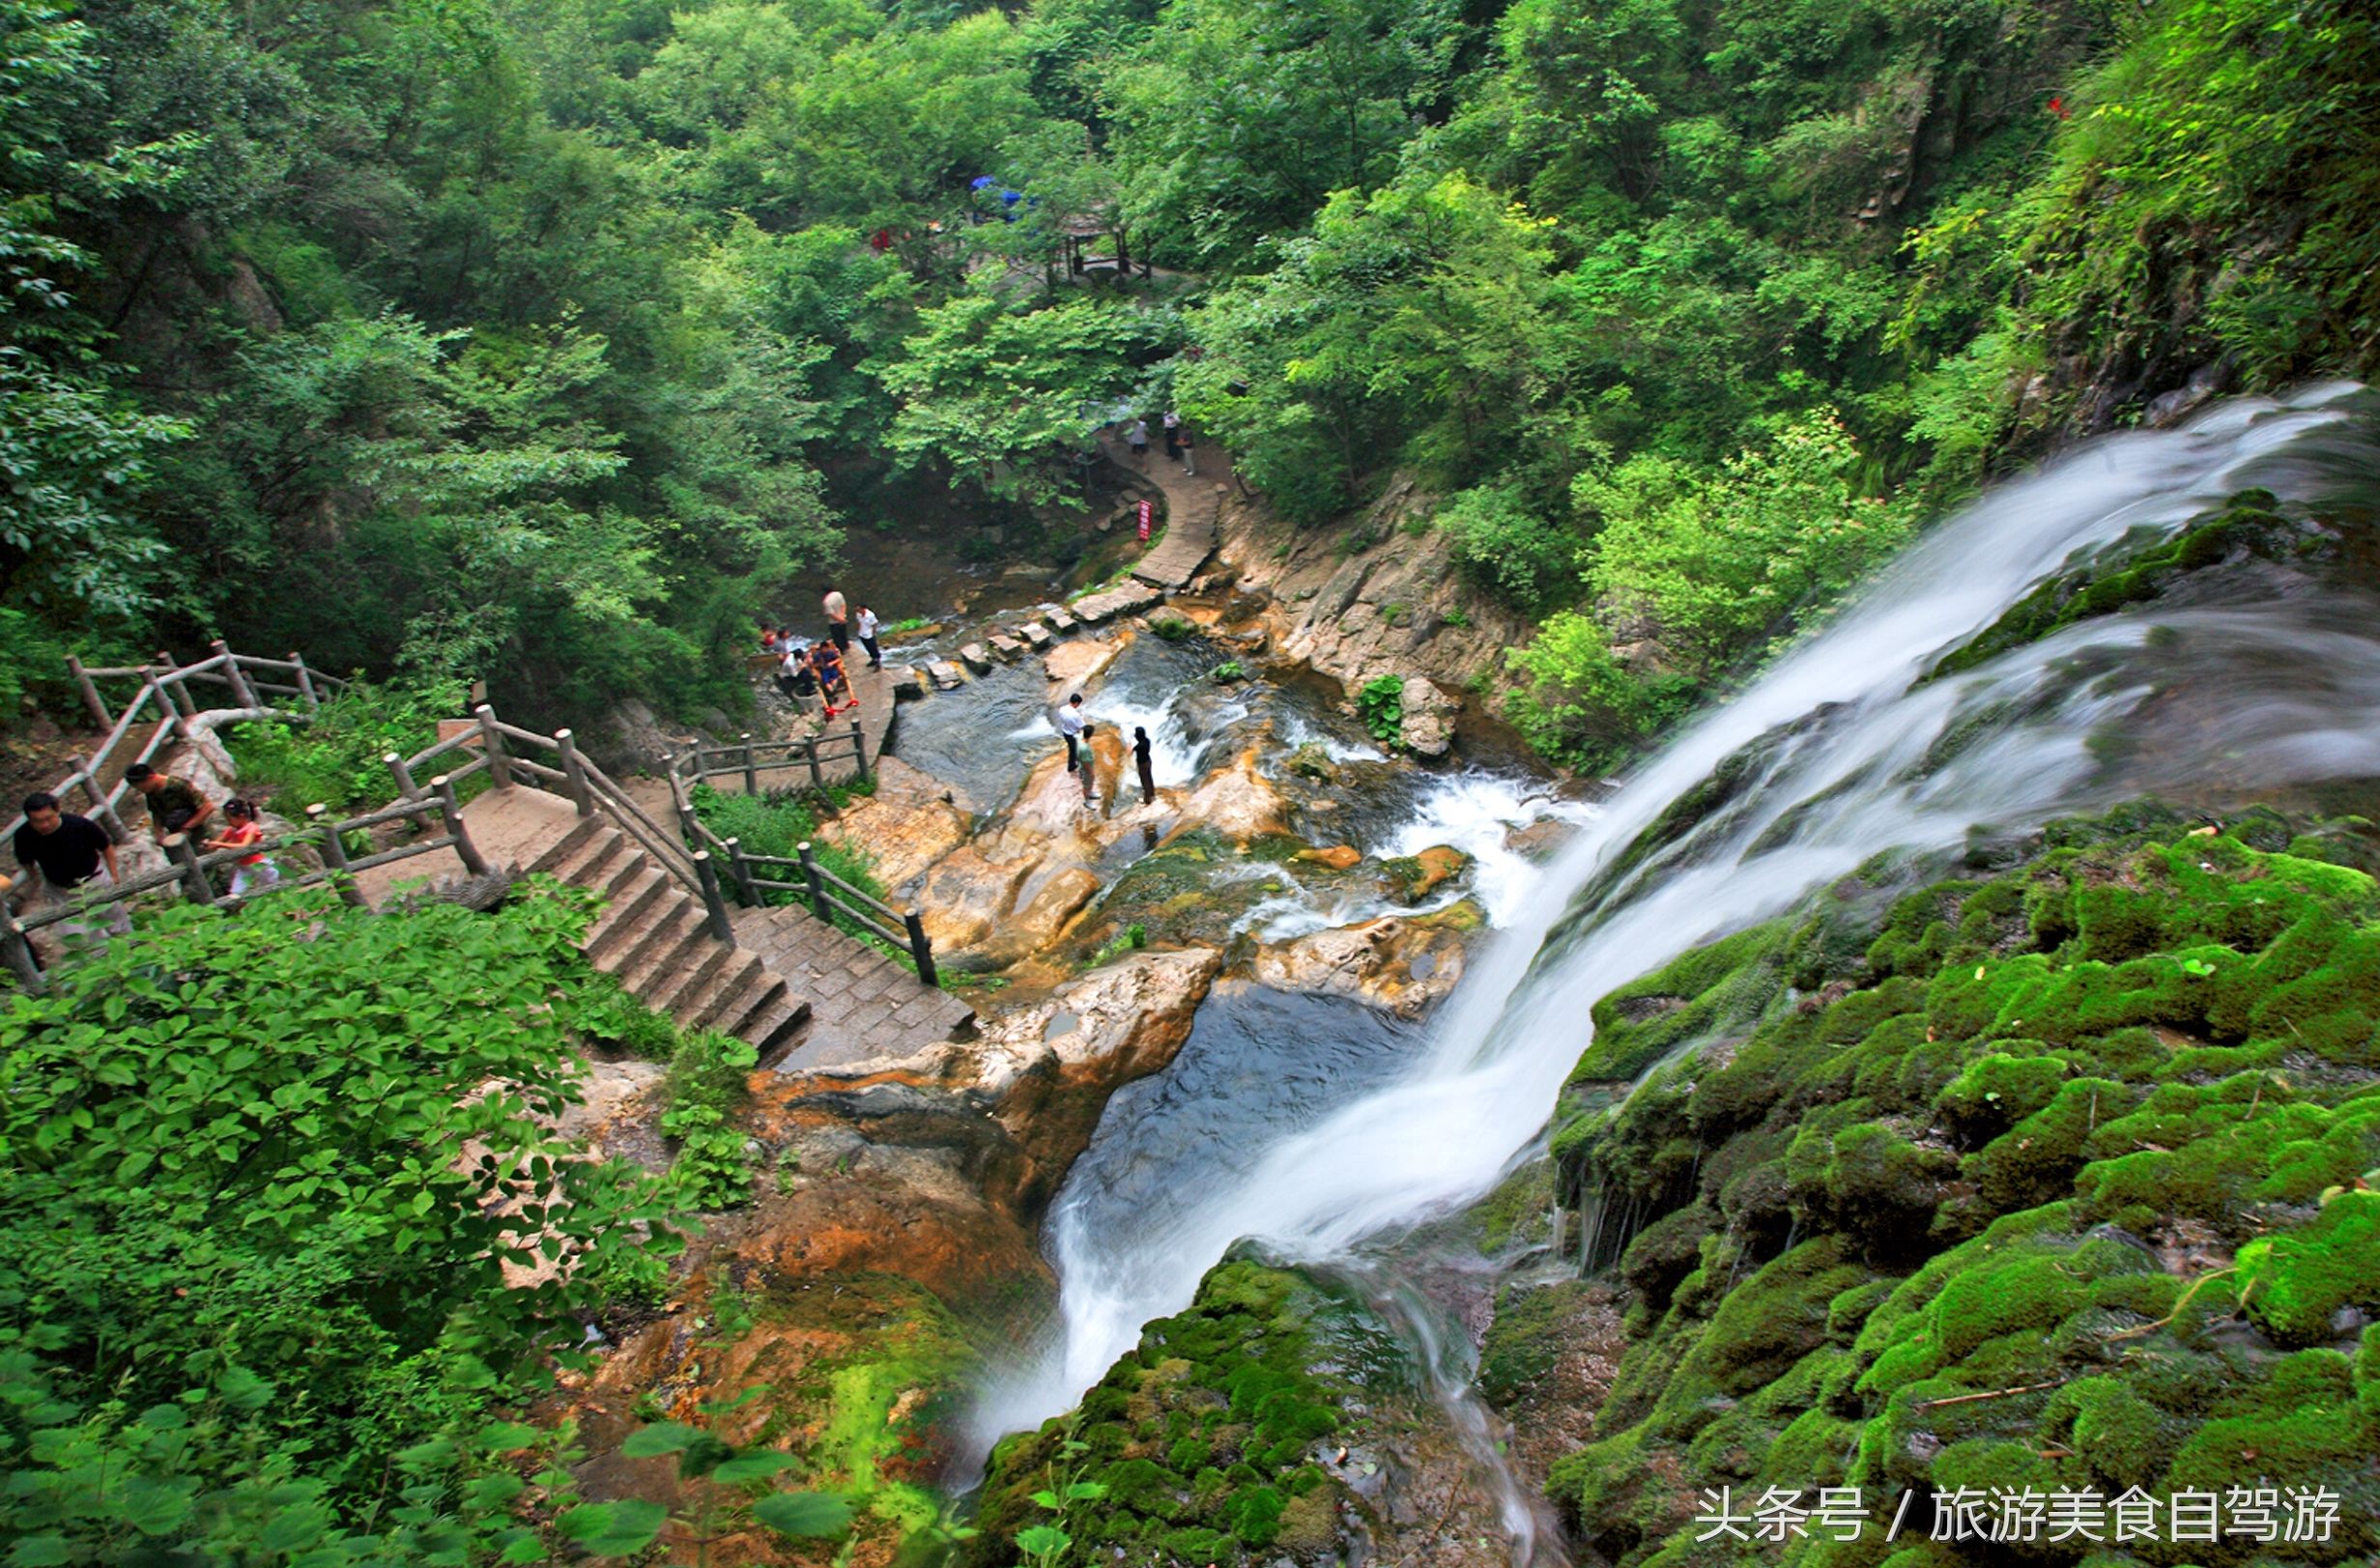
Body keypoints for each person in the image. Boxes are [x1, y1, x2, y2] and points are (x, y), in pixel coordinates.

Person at [11, 791, 130, 937]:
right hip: (61, 891)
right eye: (37, 821)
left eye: (49, 818)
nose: (44, 825)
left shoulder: (79, 825)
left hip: (95, 881)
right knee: (78, 936)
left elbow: (105, 846)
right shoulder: (24, 835)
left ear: (58, 811)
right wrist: (37, 883)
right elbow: (26, 862)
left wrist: (114, 875)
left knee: (117, 924)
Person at [205, 799, 280, 898]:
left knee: (272, 886)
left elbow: (244, 845)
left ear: (241, 816)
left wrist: (220, 844)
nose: (228, 822)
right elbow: (216, 843)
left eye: (230, 819)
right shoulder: (231, 830)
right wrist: (209, 844)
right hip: (243, 866)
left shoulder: (251, 828)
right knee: (236, 893)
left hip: (258, 864)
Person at [125, 762, 214, 843]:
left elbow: (208, 807)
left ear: (150, 778)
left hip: (200, 834)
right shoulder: (151, 792)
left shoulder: (177, 785)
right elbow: (156, 814)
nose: (141, 791)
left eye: (142, 788)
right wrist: (159, 835)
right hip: (177, 836)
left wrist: (187, 827)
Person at [811, 638, 852, 716]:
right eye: (823, 649)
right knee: (826, 681)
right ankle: (833, 693)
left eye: (825, 649)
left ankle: (832, 693)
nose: (824, 650)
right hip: (825, 670)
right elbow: (814, 665)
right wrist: (819, 664)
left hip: (832, 669)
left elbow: (838, 659)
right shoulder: (817, 656)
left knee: (834, 678)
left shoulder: (830, 653)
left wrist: (832, 663)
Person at [1055, 693, 1087, 773]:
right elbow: (1082, 726)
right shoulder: (1075, 715)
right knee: (1078, 751)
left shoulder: (1062, 709)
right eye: (1079, 704)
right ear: (1076, 703)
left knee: (1072, 750)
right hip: (1073, 735)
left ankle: (1071, 766)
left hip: (1065, 733)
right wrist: (1081, 717)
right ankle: (1081, 768)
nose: (1078, 705)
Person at [822, 585, 850, 655]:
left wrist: (839, 619)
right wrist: (842, 616)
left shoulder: (826, 601)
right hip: (842, 618)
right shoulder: (838, 594)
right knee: (843, 633)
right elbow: (843, 605)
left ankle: (842, 650)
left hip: (834, 622)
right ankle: (846, 646)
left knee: (837, 637)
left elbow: (831, 614)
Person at [1133, 726, 1157, 803]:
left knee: (1144, 781)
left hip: (1142, 764)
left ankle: (1147, 800)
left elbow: (1129, 751)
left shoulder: (1138, 746)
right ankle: (1152, 794)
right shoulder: (1147, 741)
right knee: (1149, 778)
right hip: (1148, 761)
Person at [856, 605, 882, 670]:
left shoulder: (870, 615)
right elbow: (859, 622)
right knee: (868, 648)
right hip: (862, 634)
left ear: (863, 609)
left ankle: (877, 663)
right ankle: (873, 659)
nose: (858, 611)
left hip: (869, 634)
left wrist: (873, 633)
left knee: (873, 648)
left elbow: (874, 624)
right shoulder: (858, 614)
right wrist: (859, 631)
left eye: (859, 610)